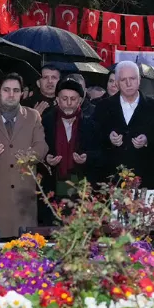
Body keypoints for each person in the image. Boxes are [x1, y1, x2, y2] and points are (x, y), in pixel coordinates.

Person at [0, 73, 48, 238]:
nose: (11, 94)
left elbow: (42, 146)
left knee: (26, 247)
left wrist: (28, 156)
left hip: (24, 196)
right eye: (6, 90)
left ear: (22, 93)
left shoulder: (33, 116)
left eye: (16, 90)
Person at [94, 61, 154, 187]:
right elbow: (94, 136)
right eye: (123, 80)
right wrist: (108, 138)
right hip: (111, 181)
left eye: (132, 78)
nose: (128, 83)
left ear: (139, 80)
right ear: (117, 83)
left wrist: (147, 140)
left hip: (146, 180)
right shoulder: (102, 107)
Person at [40, 79, 101, 223]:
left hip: (82, 188)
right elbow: (36, 149)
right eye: (64, 99)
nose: (68, 103)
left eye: (73, 99)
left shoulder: (90, 123)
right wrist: (46, 158)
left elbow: (101, 153)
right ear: (57, 100)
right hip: (52, 187)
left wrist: (87, 157)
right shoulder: (45, 122)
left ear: (80, 101)